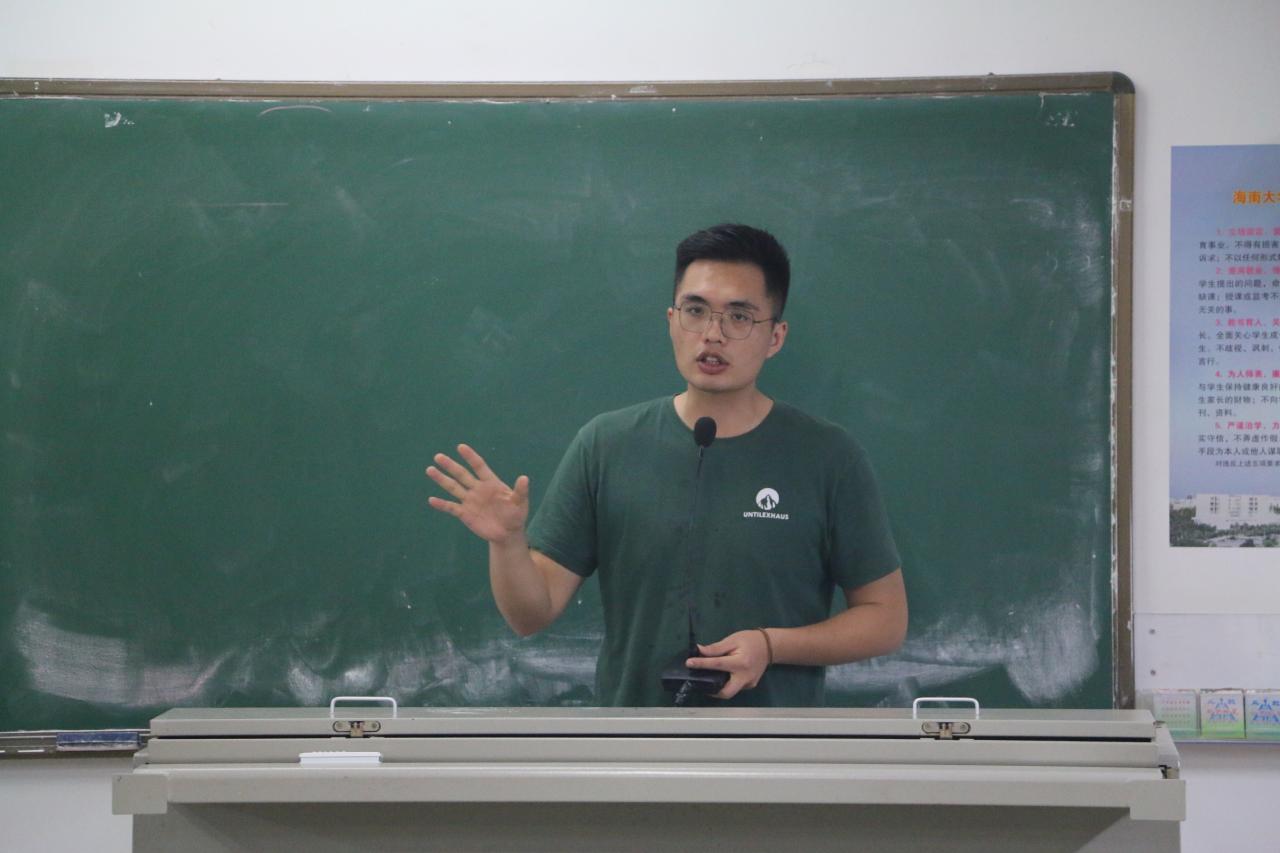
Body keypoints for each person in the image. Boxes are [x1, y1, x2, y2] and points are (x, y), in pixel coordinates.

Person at [427, 223, 906, 706]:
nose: (713, 334)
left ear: (775, 337)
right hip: (635, 740)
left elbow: (885, 619)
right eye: (696, 311)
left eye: (739, 317)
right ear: (672, 320)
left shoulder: (828, 456)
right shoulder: (606, 445)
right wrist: (508, 544)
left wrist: (770, 645)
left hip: (775, 743)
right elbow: (530, 615)